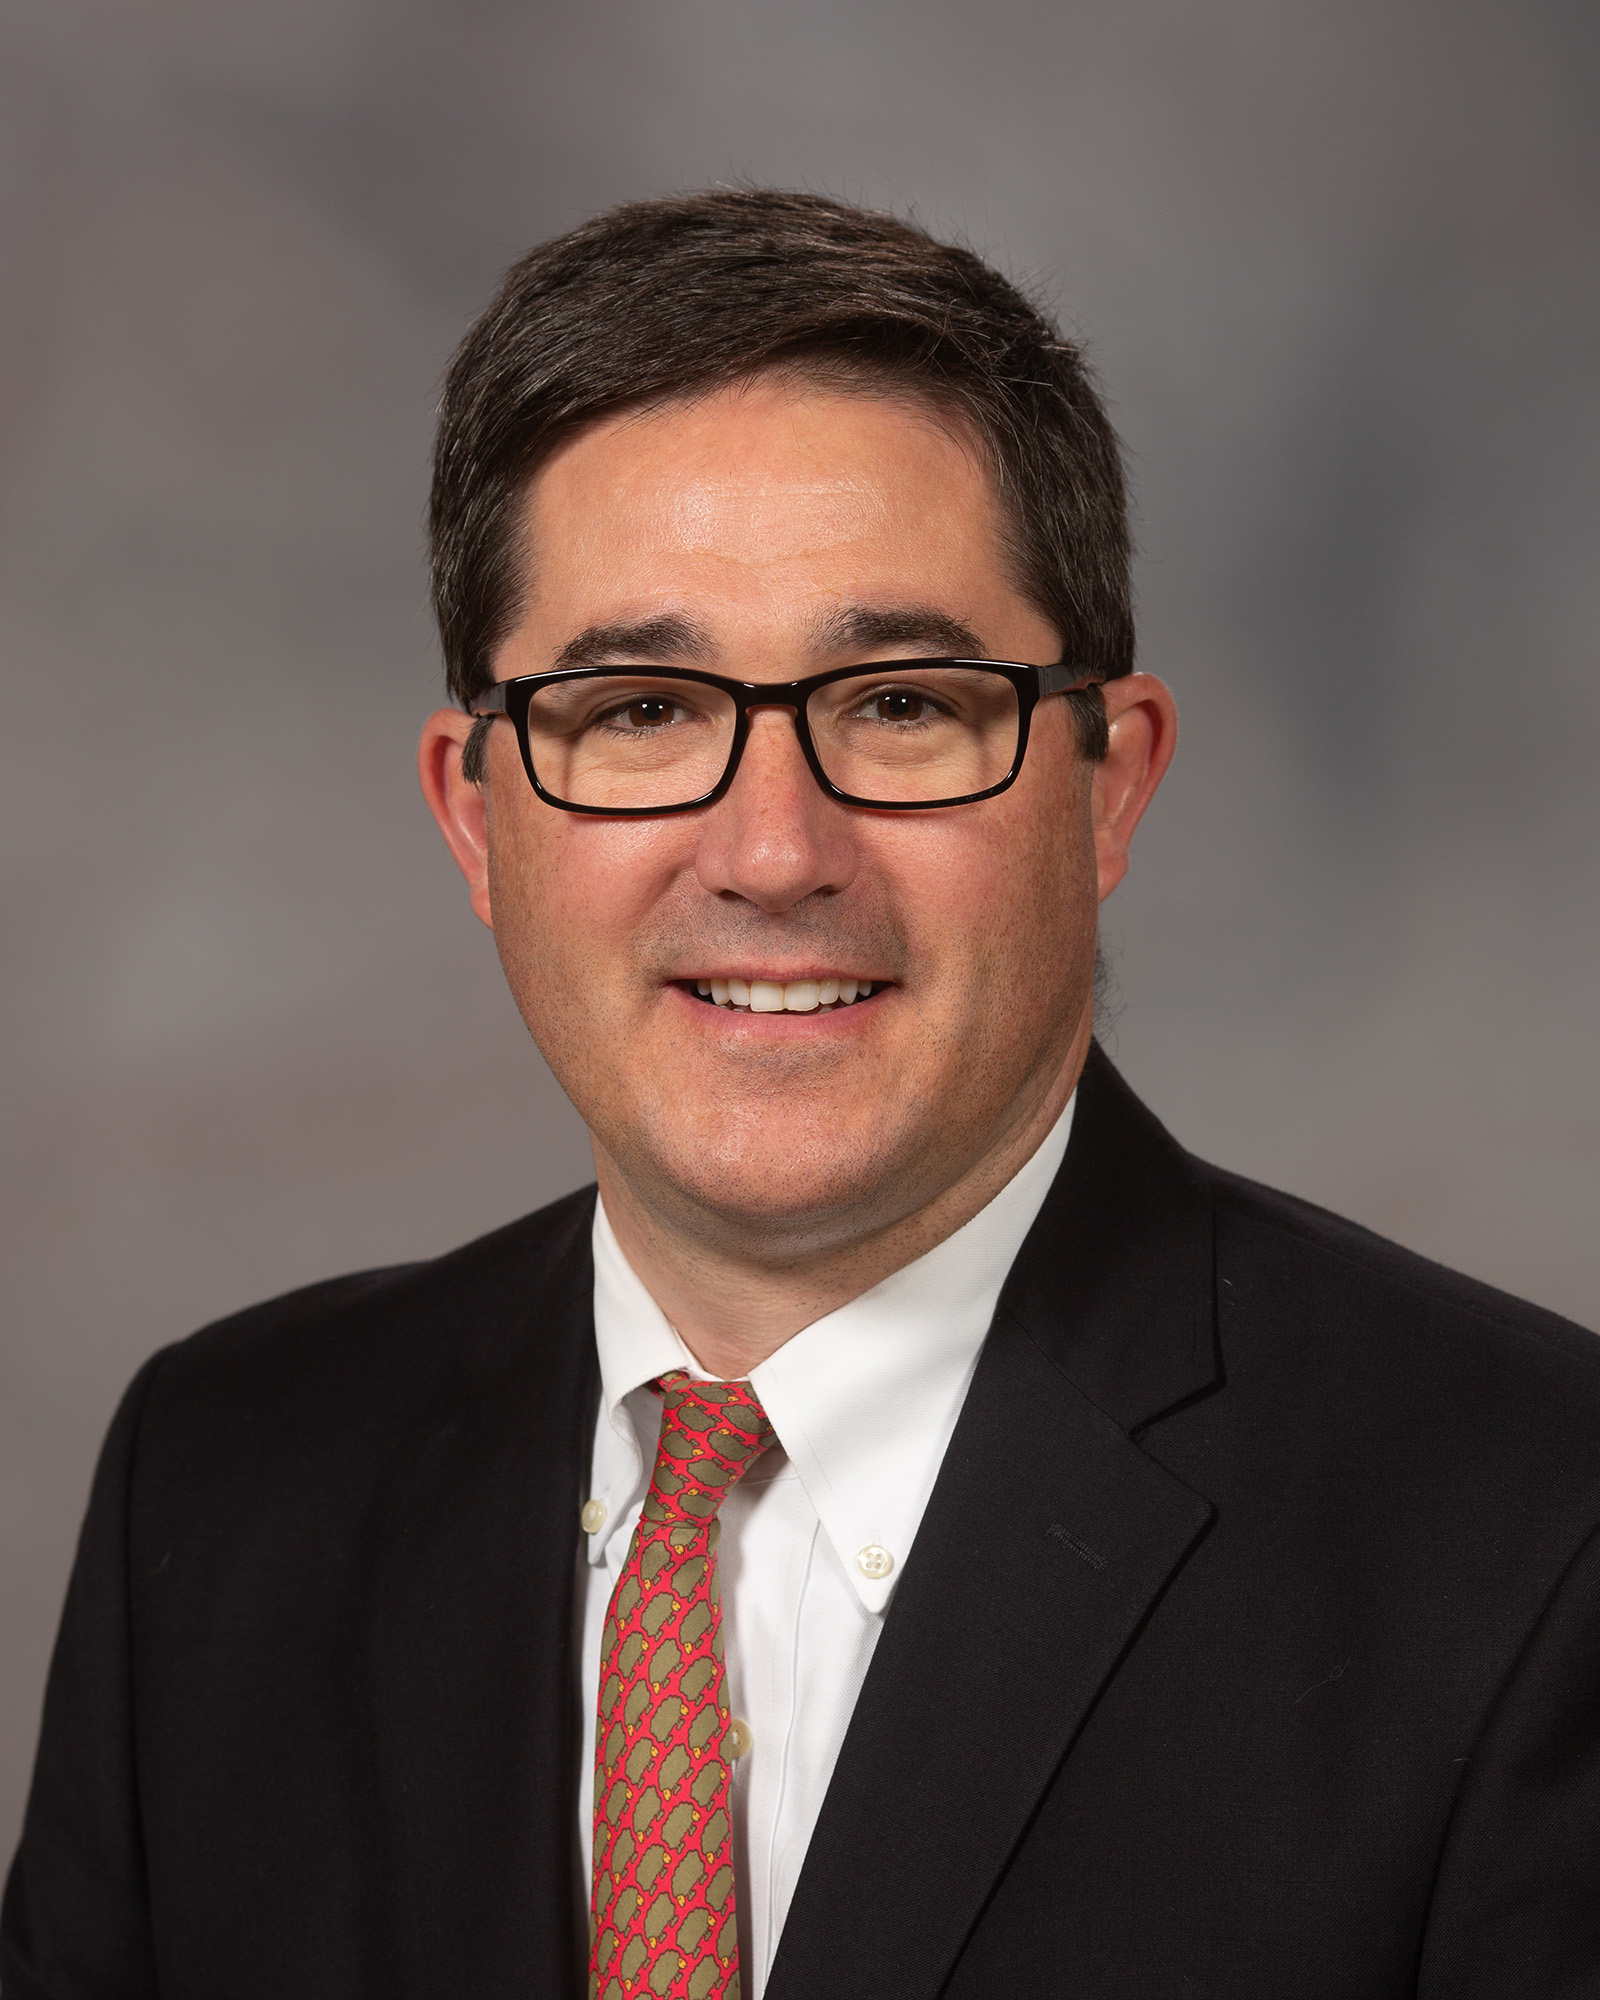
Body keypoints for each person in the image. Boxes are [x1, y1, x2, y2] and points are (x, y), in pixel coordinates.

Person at [4, 189, 1598, 2000]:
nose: (772, 852)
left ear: (1106, 787)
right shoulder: (223, 1488)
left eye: (902, 704)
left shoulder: (1535, 1541)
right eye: (640, 713)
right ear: (477, 816)